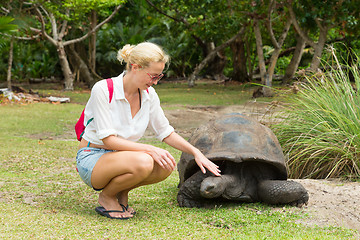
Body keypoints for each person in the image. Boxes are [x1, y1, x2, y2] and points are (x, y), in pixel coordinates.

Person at [76, 42, 221, 220]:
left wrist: (195, 152)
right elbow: (109, 140)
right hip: (93, 156)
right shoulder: (103, 89)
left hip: (124, 157)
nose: (156, 82)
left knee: (165, 165)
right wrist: (150, 149)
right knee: (145, 160)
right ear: (135, 68)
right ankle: (106, 196)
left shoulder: (149, 95)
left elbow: (165, 132)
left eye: (159, 76)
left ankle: (121, 191)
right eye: (153, 76)